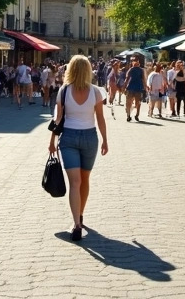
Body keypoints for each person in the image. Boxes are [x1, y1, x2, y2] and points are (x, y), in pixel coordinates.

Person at [48, 55, 109, 243]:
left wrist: (52, 140)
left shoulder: (64, 91)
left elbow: (57, 120)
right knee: (84, 180)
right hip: (90, 138)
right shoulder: (96, 92)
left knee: (75, 182)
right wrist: (105, 140)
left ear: (71, 70)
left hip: (69, 138)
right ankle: (80, 216)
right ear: (89, 70)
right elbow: (100, 118)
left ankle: (76, 224)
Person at [124, 57, 145, 122]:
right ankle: (134, 115)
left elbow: (127, 79)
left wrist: (124, 87)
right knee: (137, 102)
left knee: (130, 102)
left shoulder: (131, 69)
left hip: (132, 87)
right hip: (137, 88)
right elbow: (143, 79)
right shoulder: (139, 70)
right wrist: (144, 87)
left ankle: (130, 115)